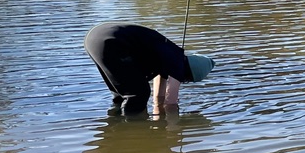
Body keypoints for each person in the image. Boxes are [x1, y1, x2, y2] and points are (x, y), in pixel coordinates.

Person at [84, 22, 215, 114]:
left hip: (94, 37)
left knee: (120, 94)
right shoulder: (177, 62)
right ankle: (133, 131)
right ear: (189, 72)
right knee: (138, 94)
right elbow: (171, 102)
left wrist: (158, 113)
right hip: (111, 42)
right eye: (186, 80)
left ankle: (114, 125)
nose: (183, 81)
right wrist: (173, 131)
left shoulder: (168, 58)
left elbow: (159, 96)